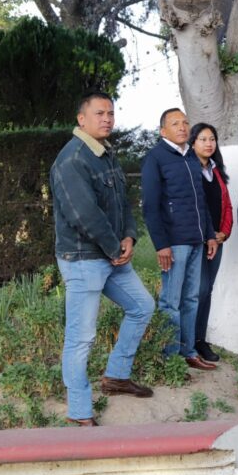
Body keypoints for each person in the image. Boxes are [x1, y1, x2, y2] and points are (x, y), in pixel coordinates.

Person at [50, 92, 155, 427]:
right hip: (84, 259)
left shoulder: (105, 154)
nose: (107, 119)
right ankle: (80, 411)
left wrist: (129, 237)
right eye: (99, 113)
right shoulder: (72, 160)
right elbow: (84, 215)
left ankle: (116, 376)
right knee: (81, 337)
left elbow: (123, 202)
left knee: (142, 306)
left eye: (111, 113)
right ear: (81, 119)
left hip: (111, 255)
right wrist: (114, 248)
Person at [142, 108, 218, 371]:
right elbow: (150, 206)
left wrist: (209, 234)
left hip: (197, 240)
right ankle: (170, 357)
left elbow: (201, 201)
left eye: (185, 122)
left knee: (191, 299)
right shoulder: (155, 158)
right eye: (175, 123)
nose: (183, 127)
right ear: (163, 131)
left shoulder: (192, 158)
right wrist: (161, 244)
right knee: (170, 301)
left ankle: (189, 352)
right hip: (174, 243)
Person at [189, 123, 233, 363]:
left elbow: (227, 205)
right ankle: (188, 342)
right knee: (198, 290)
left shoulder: (216, 171)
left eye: (212, 139)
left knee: (207, 291)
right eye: (203, 139)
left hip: (217, 240)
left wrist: (224, 232)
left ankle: (199, 340)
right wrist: (207, 235)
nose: (208, 143)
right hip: (197, 240)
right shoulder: (188, 168)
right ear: (193, 142)